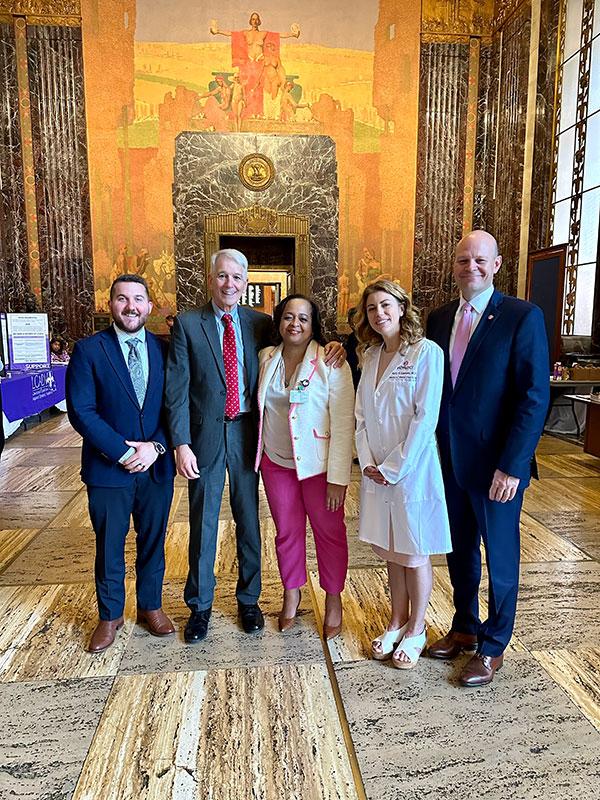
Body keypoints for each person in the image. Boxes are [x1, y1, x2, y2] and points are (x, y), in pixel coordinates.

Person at [164, 248, 345, 644]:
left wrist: (336, 346)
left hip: (249, 434)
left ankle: (249, 599)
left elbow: (300, 340)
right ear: (211, 278)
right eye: (222, 276)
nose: (229, 284)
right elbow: (176, 390)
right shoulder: (188, 324)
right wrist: (180, 442)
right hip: (205, 437)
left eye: (237, 278)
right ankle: (200, 605)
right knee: (204, 520)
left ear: (246, 284)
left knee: (250, 519)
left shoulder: (262, 323)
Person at [426, 230, 549, 686]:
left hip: (498, 467)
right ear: (454, 266)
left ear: (496, 265)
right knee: (459, 551)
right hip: (450, 461)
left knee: (500, 555)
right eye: (463, 260)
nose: (471, 268)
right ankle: (464, 626)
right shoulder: (438, 319)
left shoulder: (521, 317)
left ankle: (494, 645)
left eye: (480, 260)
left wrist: (513, 465)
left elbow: (533, 397)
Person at [66, 274, 176, 653]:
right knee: (110, 544)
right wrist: (125, 452)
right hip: (108, 469)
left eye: (139, 299)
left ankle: (151, 606)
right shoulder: (89, 350)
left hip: (156, 469)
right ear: (110, 304)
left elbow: (174, 408)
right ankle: (109, 615)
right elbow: (82, 412)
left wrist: (156, 448)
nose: (131, 306)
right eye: (122, 299)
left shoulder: (165, 350)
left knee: (153, 541)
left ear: (149, 306)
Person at [354, 280, 451, 669]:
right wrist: (369, 463)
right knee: (390, 552)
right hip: (376, 471)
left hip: (411, 472)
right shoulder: (370, 355)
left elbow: (425, 418)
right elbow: (362, 416)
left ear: (401, 306)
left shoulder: (426, 353)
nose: (380, 313)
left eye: (386, 305)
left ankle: (416, 628)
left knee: (413, 552)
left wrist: (393, 467)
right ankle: (395, 621)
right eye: (372, 308)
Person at [255, 295, 354, 638]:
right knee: (286, 532)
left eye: (303, 319)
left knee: (329, 532)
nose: (294, 324)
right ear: (279, 322)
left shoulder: (331, 362)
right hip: (276, 463)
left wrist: (338, 478)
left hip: (319, 468)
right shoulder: (266, 358)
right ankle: (291, 592)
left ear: (313, 325)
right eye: (288, 317)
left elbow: (344, 423)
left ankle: (333, 598)